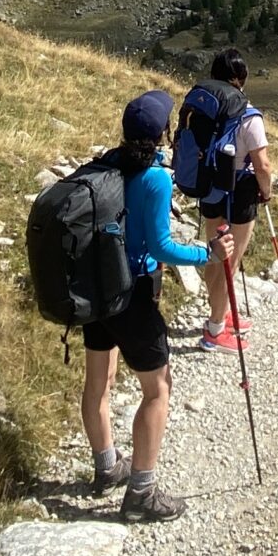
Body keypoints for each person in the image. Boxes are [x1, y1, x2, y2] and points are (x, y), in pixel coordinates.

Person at [83, 90, 207, 523]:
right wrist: (206, 255)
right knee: (157, 390)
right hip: (133, 293)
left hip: (98, 288)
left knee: (99, 381)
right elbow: (160, 246)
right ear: (162, 134)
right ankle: (141, 491)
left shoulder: (107, 164)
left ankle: (105, 467)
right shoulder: (156, 179)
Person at [195, 48, 273, 354]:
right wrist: (265, 192)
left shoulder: (204, 108)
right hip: (239, 193)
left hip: (209, 189)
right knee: (232, 259)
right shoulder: (247, 114)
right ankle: (215, 328)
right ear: (241, 78)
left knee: (215, 254)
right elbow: (263, 165)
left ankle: (220, 312)